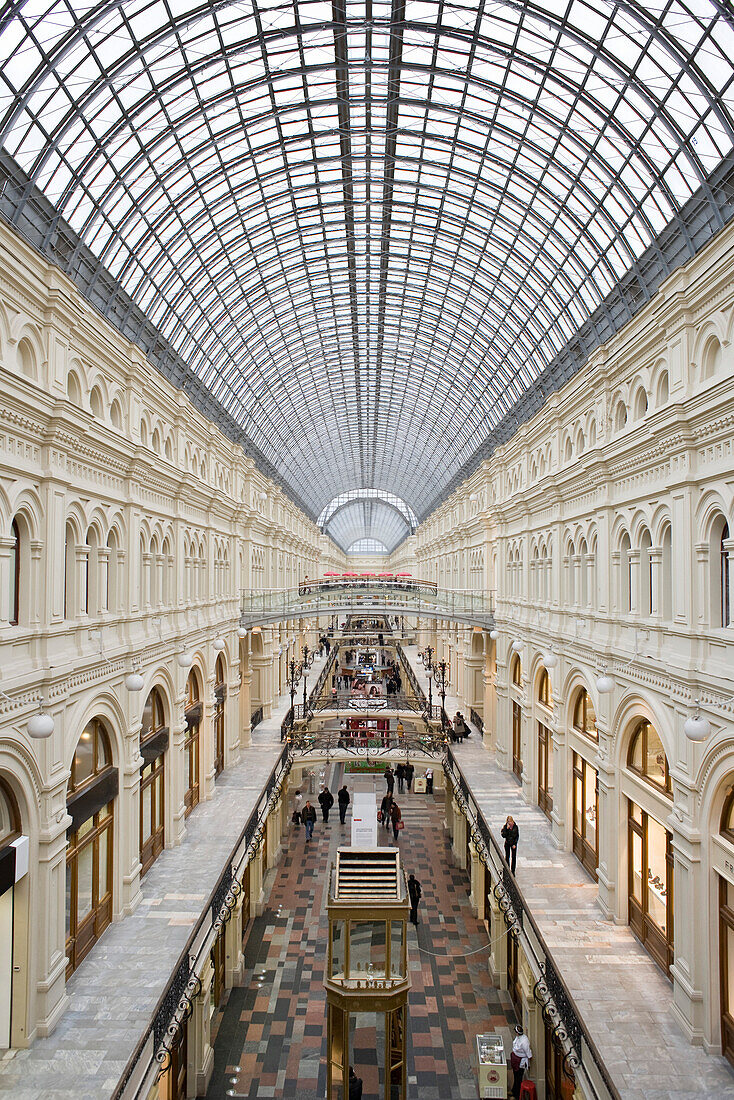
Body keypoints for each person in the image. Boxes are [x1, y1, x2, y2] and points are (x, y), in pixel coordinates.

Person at [510, 1025, 532, 1099]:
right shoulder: (518, 1037)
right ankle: (513, 1090)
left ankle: (516, 1095)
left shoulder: (524, 1041)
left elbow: (528, 1052)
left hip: (520, 1062)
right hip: (515, 1059)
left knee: (518, 1078)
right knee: (515, 1076)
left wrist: (529, 1059)